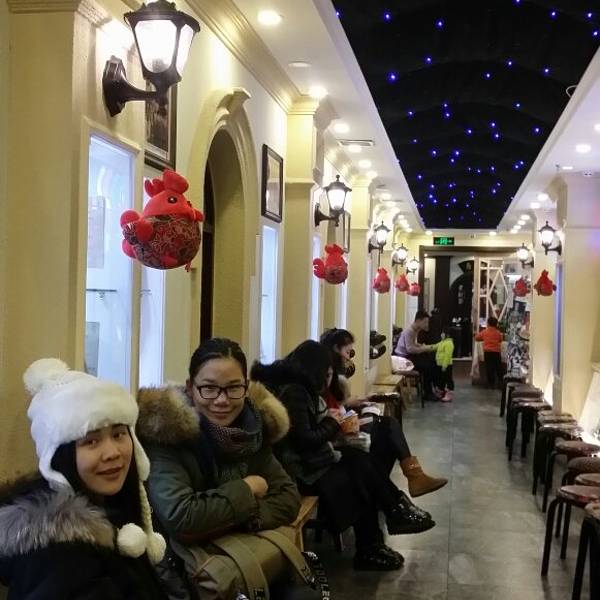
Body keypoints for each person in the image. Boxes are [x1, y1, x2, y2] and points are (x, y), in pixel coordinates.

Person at [137, 338, 303, 599]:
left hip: (242, 561)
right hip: (184, 576)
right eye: (209, 388)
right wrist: (248, 488)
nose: (222, 400)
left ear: (246, 388)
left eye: (233, 388)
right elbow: (181, 516)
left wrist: (232, 516)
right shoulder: (167, 434)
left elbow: (289, 498)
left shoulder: (252, 430)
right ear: (191, 387)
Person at [251, 340, 436, 572]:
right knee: (360, 471)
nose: (328, 380)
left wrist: (332, 423)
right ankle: (388, 519)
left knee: (361, 464)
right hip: (301, 472)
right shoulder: (295, 392)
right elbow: (305, 440)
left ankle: (382, 530)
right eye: (327, 374)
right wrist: (333, 422)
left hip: (310, 461)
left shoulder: (295, 387)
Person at [0, 358, 168, 599]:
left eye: (119, 434)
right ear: (61, 457)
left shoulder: (112, 511)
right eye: (91, 441)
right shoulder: (58, 556)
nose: (112, 453)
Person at [320, 327, 448, 497]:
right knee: (388, 430)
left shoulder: (333, 375)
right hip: (338, 436)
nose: (348, 357)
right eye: (347, 352)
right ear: (336, 349)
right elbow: (331, 410)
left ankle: (399, 485)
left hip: (341, 427)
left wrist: (358, 403)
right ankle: (405, 483)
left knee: (388, 431)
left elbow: (337, 404)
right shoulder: (326, 377)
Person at [395, 310, 438, 401]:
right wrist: (424, 348)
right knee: (427, 366)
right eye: (425, 322)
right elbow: (410, 349)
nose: (427, 325)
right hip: (403, 360)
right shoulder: (410, 331)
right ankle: (428, 393)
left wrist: (420, 346)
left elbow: (413, 344)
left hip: (408, 357)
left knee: (429, 361)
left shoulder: (415, 330)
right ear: (418, 321)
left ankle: (430, 390)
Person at [475, 316, 504, 389]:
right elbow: (500, 339)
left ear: (488, 323)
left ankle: (491, 384)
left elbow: (477, 338)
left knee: (489, 368)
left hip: (487, 352)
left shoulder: (485, 332)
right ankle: (501, 382)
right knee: (498, 367)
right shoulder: (498, 332)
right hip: (496, 352)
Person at [434, 327, 455, 402]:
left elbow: (447, 355)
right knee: (441, 379)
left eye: (443, 333)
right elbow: (435, 346)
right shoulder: (442, 342)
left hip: (446, 365)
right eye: (442, 333)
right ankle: (442, 393)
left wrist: (444, 366)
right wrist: (425, 347)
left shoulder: (449, 343)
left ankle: (449, 395)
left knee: (448, 379)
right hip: (440, 365)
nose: (441, 334)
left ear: (447, 335)